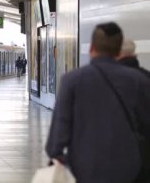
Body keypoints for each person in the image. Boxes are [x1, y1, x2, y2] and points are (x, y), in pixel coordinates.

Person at [45, 22, 150, 183]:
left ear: (91, 48)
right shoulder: (138, 80)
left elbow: (60, 127)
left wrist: (56, 153)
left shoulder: (72, 80)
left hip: (85, 165)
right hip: (129, 165)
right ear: (117, 50)